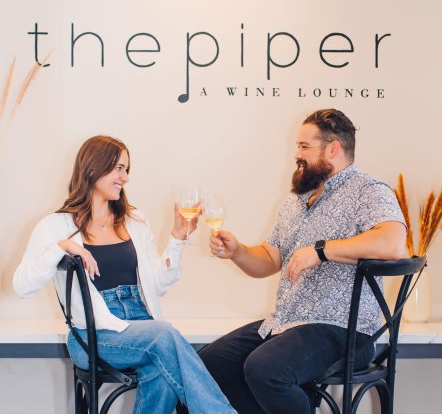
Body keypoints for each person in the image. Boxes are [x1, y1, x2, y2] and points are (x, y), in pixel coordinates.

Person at [200, 109, 407, 414]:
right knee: (204, 368)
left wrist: (321, 250)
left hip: (343, 330)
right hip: (285, 323)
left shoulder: (369, 190)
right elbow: (271, 258)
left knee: (266, 370)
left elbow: (393, 243)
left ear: (333, 149)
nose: (296, 154)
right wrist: (238, 252)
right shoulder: (297, 199)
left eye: (304, 147)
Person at [13, 135, 235, 414]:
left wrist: (178, 237)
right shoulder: (55, 226)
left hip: (142, 326)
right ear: (93, 168)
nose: (126, 178)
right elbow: (22, 285)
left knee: (162, 371)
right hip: (92, 335)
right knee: (164, 335)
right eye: (119, 168)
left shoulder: (135, 221)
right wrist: (62, 247)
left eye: (127, 169)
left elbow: (157, 285)